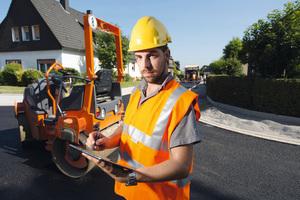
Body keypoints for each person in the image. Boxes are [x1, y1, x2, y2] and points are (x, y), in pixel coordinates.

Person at [83, 16, 201, 200]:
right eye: (139, 57)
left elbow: (182, 165)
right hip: (132, 193)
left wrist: (129, 177)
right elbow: (129, 128)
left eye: (152, 55)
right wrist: (108, 140)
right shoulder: (139, 91)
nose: (144, 65)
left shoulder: (180, 101)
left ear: (167, 55)